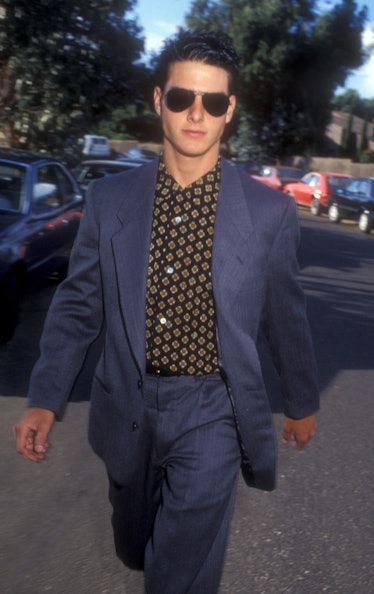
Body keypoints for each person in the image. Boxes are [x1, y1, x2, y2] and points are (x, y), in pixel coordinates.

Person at [14, 30, 319, 594]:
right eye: (182, 99)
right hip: (127, 399)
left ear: (230, 111)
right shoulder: (109, 200)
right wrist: (44, 398)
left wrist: (300, 401)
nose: (195, 115)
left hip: (213, 408)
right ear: (159, 101)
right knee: (135, 547)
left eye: (213, 102)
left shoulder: (269, 211)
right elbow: (79, 304)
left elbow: (285, 313)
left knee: (178, 571)